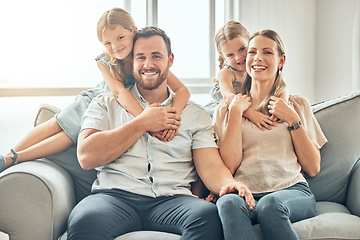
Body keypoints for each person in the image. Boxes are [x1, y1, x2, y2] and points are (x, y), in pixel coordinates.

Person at [67, 26, 255, 240]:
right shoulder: (104, 103)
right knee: (84, 220)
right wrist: (142, 123)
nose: (148, 64)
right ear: (132, 62)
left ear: (170, 59)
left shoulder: (195, 114)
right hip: (114, 197)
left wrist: (229, 183)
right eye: (141, 57)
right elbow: (86, 156)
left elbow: (211, 166)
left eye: (156, 56)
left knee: (210, 217)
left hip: (174, 200)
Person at [0, 8, 189, 173]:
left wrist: (173, 119)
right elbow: (119, 93)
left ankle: (16, 158)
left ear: (134, 31)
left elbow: (182, 90)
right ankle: (9, 156)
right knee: (54, 125)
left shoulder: (144, 57)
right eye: (107, 43)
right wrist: (147, 121)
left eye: (120, 38)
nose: (115, 47)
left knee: (67, 137)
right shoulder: (104, 60)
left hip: (110, 106)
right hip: (94, 100)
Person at [214, 29, 328, 240]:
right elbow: (228, 167)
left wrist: (293, 120)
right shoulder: (226, 110)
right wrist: (236, 113)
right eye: (252, 52)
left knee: (270, 204)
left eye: (267, 52)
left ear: (281, 60)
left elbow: (313, 167)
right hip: (244, 193)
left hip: (291, 191)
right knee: (227, 202)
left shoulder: (297, 105)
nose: (257, 58)